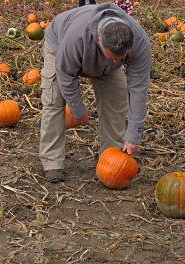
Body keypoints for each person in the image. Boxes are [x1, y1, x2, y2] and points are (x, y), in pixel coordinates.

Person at [39, 3, 151, 183]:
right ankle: (52, 162)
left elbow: (138, 88)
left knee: (116, 100)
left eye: (120, 58)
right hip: (60, 47)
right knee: (54, 101)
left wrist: (134, 135)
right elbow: (66, 75)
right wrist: (77, 109)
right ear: (100, 40)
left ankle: (110, 158)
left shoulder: (140, 42)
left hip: (105, 66)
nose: (117, 60)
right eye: (113, 56)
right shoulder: (76, 38)